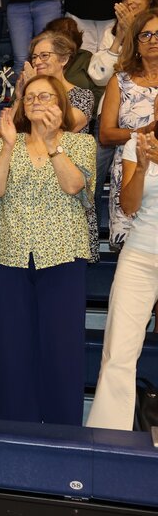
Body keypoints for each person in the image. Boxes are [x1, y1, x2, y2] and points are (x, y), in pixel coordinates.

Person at [0, 75, 96, 425]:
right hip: (12, 252)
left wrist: (51, 144)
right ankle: (13, 428)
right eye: (29, 96)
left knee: (61, 348)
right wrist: (8, 147)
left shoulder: (80, 143)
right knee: (13, 348)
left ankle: (62, 432)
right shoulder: (6, 144)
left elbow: (75, 184)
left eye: (44, 96)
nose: (35, 102)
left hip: (62, 253)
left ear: (60, 103)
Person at [88, 127, 158, 430]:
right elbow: (129, 206)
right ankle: (108, 438)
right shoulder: (139, 144)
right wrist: (142, 169)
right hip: (140, 255)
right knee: (118, 353)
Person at [99, 9, 158, 249]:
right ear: (136, 43)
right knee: (131, 253)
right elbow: (105, 134)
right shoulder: (120, 81)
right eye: (145, 35)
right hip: (130, 171)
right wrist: (144, 131)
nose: (153, 40)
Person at [89, 0, 158, 86]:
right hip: (119, 92)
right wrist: (118, 39)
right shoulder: (112, 31)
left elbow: (148, 64)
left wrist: (132, 32)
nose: (129, 2)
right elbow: (100, 77)